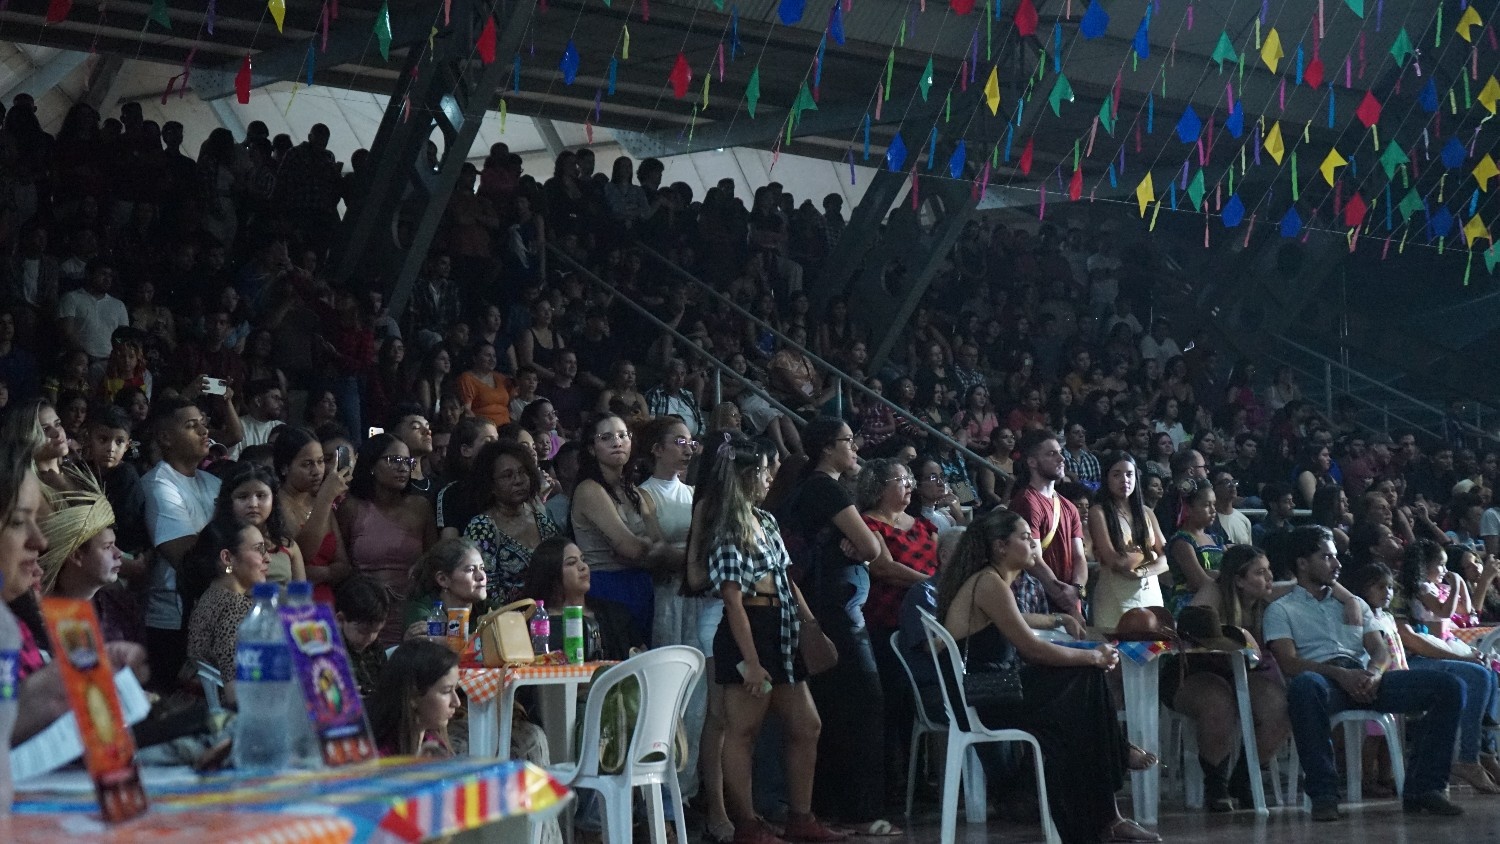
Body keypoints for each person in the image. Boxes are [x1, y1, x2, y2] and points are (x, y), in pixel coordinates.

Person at [936, 510, 1157, 844]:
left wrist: (1058, 619)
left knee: (1081, 700)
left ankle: (1109, 810)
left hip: (993, 692)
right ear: (1000, 546)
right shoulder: (989, 583)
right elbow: (1032, 650)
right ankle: (1114, 770)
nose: (1033, 544)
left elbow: (1017, 619)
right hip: (986, 699)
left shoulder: (989, 581)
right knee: (1085, 678)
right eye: (1025, 537)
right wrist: (1092, 656)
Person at [1264, 526, 1466, 820]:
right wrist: (1339, 675)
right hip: (1325, 682)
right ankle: (1324, 793)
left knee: (1450, 686)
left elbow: (1380, 650)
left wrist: (1374, 673)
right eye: (1327, 557)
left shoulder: (1355, 603)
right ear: (1303, 563)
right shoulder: (1281, 609)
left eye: (1336, 556)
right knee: (1304, 686)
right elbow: (1289, 663)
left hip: (1365, 679)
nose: (1337, 564)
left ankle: (1425, 787)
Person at [702, 435, 846, 844]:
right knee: (743, 730)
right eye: (765, 471)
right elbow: (733, 600)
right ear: (748, 475)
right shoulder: (728, 526)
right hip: (751, 628)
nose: (770, 478)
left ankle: (800, 817)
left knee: (807, 724)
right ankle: (747, 825)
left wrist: (811, 625)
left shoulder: (764, 519)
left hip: (780, 626)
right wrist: (750, 660)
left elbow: (785, 577)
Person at [774, 417, 888, 834]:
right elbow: (872, 547)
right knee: (861, 704)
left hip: (820, 604)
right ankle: (860, 810)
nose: (855, 447)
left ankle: (829, 805)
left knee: (833, 705)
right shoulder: (826, 487)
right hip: (835, 609)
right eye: (848, 440)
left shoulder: (805, 486)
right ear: (826, 447)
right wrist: (862, 546)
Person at [1361, 559, 1500, 794]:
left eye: (1390, 587)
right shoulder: (1368, 614)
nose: (1388, 592)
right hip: (1385, 677)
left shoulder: (1387, 615)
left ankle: (1483, 753)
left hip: (1401, 669)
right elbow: (1403, 642)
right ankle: (1370, 780)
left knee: (1488, 672)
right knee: (1377, 734)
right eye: (1381, 587)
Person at [857, 458, 939, 809]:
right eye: (901, 480)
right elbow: (884, 568)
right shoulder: (868, 523)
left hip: (925, 624)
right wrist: (932, 585)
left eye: (909, 480)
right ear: (879, 486)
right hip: (886, 620)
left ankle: (919, 779)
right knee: (892, 702)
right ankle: (892, 781)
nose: (909, 485)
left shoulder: (923, 524)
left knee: (919, 702)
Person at [570, 413, 675, 639]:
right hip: (607, 588)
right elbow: (631, 548)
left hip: (641, 584)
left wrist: (646, 550)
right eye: (606, 437)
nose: (617, 442)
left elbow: (659, 544)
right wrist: (647, 549)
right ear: (591, 449)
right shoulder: (589, 489)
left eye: (622, 435)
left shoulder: (633, 490)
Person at [141, 396, 221, 690]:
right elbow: (186, 556)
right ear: (165, 438)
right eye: (191, 425)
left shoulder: (213, 483)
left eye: (203, 423)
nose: (203, 431)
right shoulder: (158, 483)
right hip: (172, 620)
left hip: (213, 612)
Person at [338, 433, 437, 645]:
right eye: (394, 460)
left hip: (411, 610)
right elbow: (341, 567)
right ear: (372, 465)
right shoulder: (351, 507)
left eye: (407, 462)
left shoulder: (421, 507)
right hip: (365, 611)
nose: (403, 468)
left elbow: (434, 560)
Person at [461, 439, 561, 608]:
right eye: (507, 475)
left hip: (550, 613)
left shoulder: (541, 519)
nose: (518, 480)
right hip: (506, 618)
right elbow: (485, 592)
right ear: (490, 485)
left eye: (522, 472)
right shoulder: (482, 527)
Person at [184, 515, 271, 706]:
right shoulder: (236, 608)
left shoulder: (210, 596)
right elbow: (236, 694)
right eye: (259, 549)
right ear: (227, 558)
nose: (268, 558)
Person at [519, 537, 642, 661]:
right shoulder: (533, 622)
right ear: (551, 573)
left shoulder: (616, 614)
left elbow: (641, 657)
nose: (583, 567)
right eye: (571, 563)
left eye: (583, 560)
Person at [1009, 430, 1087, 620]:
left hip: (1068, 599)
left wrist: (1077, 590)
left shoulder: (1069, 507)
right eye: (1052, 454)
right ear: (1032, 462)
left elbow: (1079, 557)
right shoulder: (1027, 501)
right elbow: (1033, 558)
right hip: (1040, 601)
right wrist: (1067, 601)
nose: (1061, 458)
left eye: (1060, 452)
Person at [1088, 452, 1168, 631]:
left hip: (1149, 590)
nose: (1124, 480)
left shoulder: (1146, 511)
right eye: (1116, 475)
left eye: (1129, 474)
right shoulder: (1098, 512)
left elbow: (1166, 559)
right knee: (1116, 645)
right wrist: (1150, 553)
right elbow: (1116, 561)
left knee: (1152, 644)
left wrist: (1143, 571)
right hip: (1114, 594)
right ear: (1106, 478)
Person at [275, 427, 352, 604]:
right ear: (285, 468)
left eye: (320, 461)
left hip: (327, 602)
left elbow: (343, 566)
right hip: (294, 603)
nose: (317, 470)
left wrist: (319, 573)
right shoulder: (276, 504)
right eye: (307, 464)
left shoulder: (320, 501)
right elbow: (303, 555)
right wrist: (325, 498)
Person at [212, 461, 305, 589]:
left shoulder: (288, 545)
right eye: (243, 497)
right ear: (229, 501)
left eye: (261, 496)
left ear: (273, 499)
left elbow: (302, 596)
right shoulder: (216, 544)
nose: (253, 504)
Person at [367, 639, 462, 757]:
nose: (457, 702)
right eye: (446, 691)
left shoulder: (434, 745)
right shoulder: (380, 759)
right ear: (413, 695)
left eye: (455, 689)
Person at [402, 537, 488, 639]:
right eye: (470, 570)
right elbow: (424, 642)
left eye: (482, 568)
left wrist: (441, 638)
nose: (481, 576)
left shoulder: (489, 609)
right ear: (443, 579)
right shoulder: (422, 609)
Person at [1165, 478, 1224, 615]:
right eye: (1206, 505)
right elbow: (1200, 582)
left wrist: (1215, 574)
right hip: (1191, 606)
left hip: (1219, 600)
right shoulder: (1182, 541)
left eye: (1214, 504)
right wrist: (1222, 577)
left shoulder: (1217, 540)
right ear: (1188, 508)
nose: (1213, 510)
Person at [335, 574, 391, 698]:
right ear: (340, 620)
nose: (370, 638)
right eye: (362, 632)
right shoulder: (332, 652)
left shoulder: (375, 648)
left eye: (376, 631)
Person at [455, 342, 514, 426]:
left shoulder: (501, 378)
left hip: (507, 425)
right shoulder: (467, 379)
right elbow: (466, 411)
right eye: (488, 355)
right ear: (475, 358)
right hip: (484, 427)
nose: (492, 359)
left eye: (494, 356)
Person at [909, 455, 968, 531]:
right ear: (916, 484)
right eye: (933, 478)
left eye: (941, 476)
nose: (941, 483)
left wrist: (958, 514)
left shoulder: (945, 516)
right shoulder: (911, 522)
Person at [1209, 469, 1252, 546]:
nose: (1233, 486)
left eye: (1234, 482)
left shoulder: (1243, 520)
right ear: (1214, 488)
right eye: (1226, 482)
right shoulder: (1209, 519)